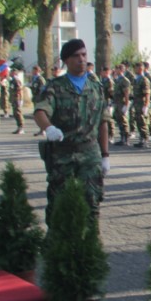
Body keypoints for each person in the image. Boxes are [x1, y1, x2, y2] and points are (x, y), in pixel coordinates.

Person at [33, 39, 111, 225]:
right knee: (59, 203)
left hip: (89, 152)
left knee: (92, 202)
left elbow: (103, 122)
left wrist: (105, 155)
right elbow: (40, 111)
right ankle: (57, 248)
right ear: (66, 61)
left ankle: (89, 247)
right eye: (76, 56)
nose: (81, 59)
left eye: (84, 55)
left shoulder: (96, 87)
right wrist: (49, 128)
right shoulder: (55, 86)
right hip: (63, 153)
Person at [8, 68, 25, 134]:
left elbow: (19, 89)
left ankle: (21, 127)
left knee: (18, 113)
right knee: (15, 113)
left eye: (11, 72)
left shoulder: (16, 80)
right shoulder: (12, 80)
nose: (10, 73)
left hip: (17, 98)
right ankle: (18, 127)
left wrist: (18, 98)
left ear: (14, 73)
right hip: (14, 98)